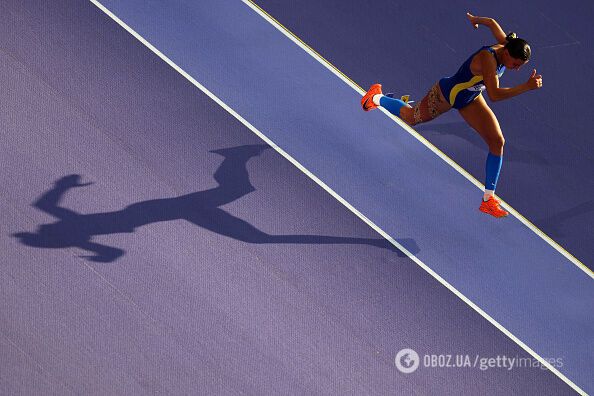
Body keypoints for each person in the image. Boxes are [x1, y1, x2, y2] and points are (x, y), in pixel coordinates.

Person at [361, 12, 543, 218]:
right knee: (411, 117)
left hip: (470, 98)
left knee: (497, 141)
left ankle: (488, 199)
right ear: (507, 54)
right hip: (446, 95)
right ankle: (376, 97)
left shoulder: (507, 44)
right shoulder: (488, 60)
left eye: (521, 66)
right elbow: (494, 94)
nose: (516, 69)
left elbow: (492, 23)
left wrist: (476, 20)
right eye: (515, 64)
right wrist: (526, 87)